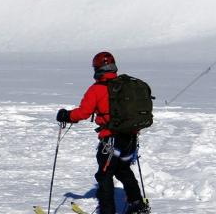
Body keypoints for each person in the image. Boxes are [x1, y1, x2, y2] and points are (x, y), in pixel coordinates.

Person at [56, 52, 150, 214]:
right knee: (122, 170)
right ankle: (137, 205)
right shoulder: (125, 86)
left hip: (111, 140)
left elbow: (84, 113)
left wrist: (66, 115)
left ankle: (107, 211)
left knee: (104, 176)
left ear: (97, 69)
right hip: (130, 138)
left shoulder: (97, 89)